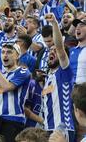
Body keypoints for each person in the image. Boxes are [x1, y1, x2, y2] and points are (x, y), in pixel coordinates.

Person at [42, 13, 75, 141]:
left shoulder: (64, 73)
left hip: (63, 128)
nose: (52, 52)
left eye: (54, 51)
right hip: (47, 128)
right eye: (50, 51)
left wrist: (54, 23)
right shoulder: (48, 77)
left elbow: (61, 49)